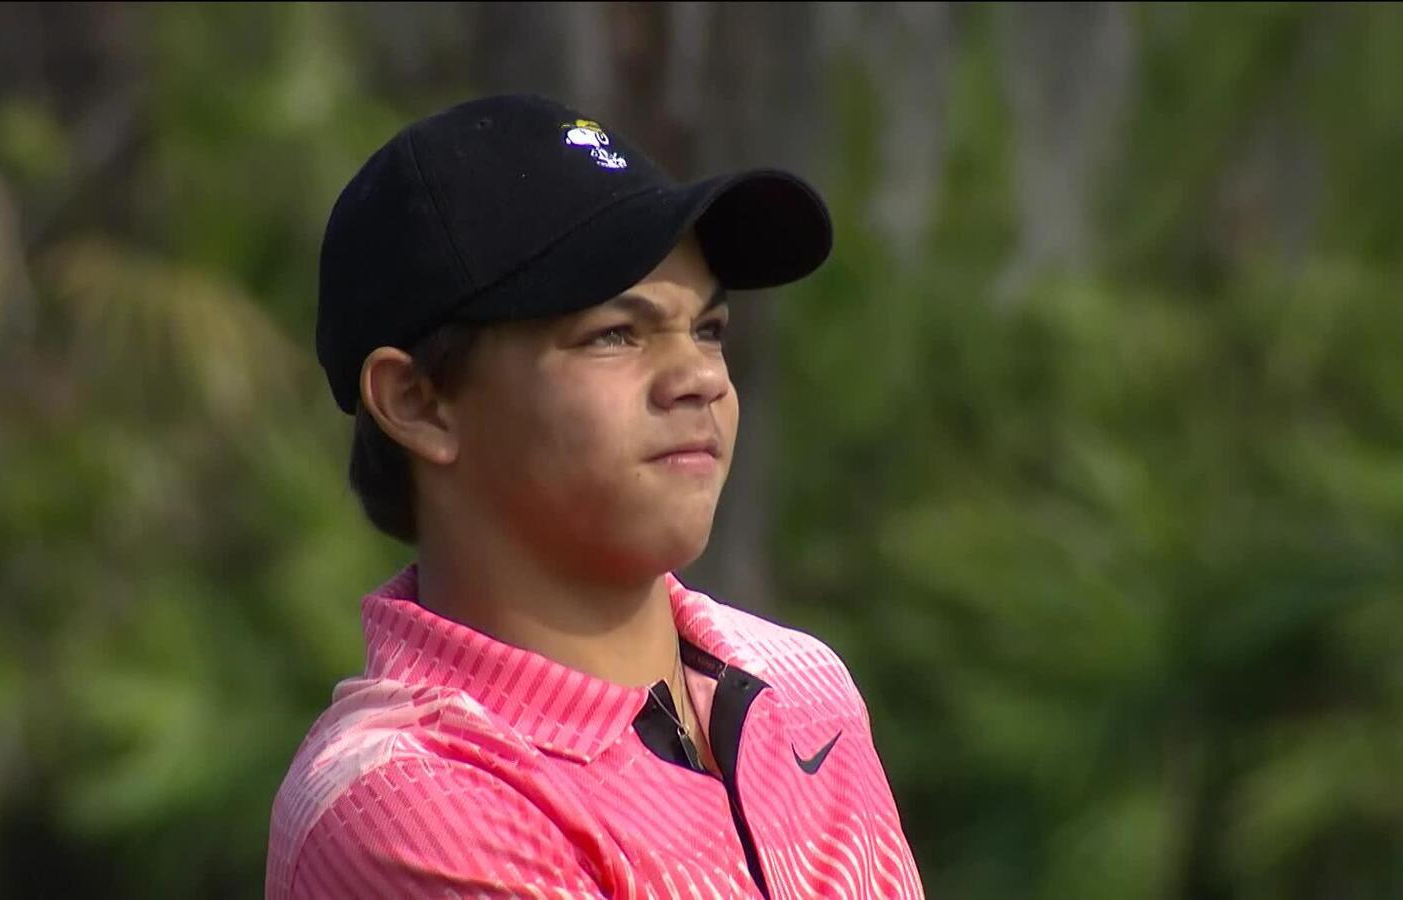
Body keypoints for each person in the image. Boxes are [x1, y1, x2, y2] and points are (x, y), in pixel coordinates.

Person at [265, 93, 924, 899]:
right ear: (418, 401)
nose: (701, 379)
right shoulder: (406, 803)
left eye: (708, 330)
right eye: (616, 334)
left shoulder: (803, 685)